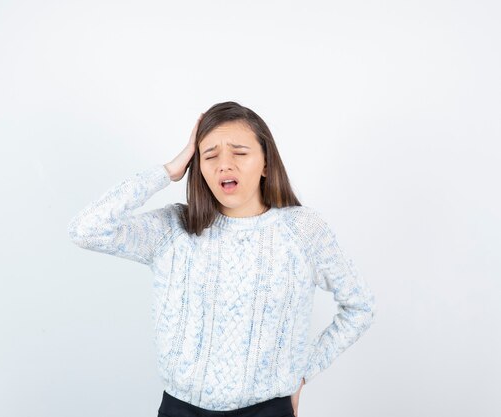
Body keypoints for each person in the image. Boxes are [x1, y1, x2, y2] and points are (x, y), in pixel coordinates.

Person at [68, 101, 377, 417]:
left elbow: (360, 307)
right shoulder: (172, 228)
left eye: (240, 153)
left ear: (266, 164)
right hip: (181, 410)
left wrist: (302, 373)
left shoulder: (301, 230)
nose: (224, 165)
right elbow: (86, 230)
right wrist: (168, 171)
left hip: (267, 411)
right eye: (210, 155)